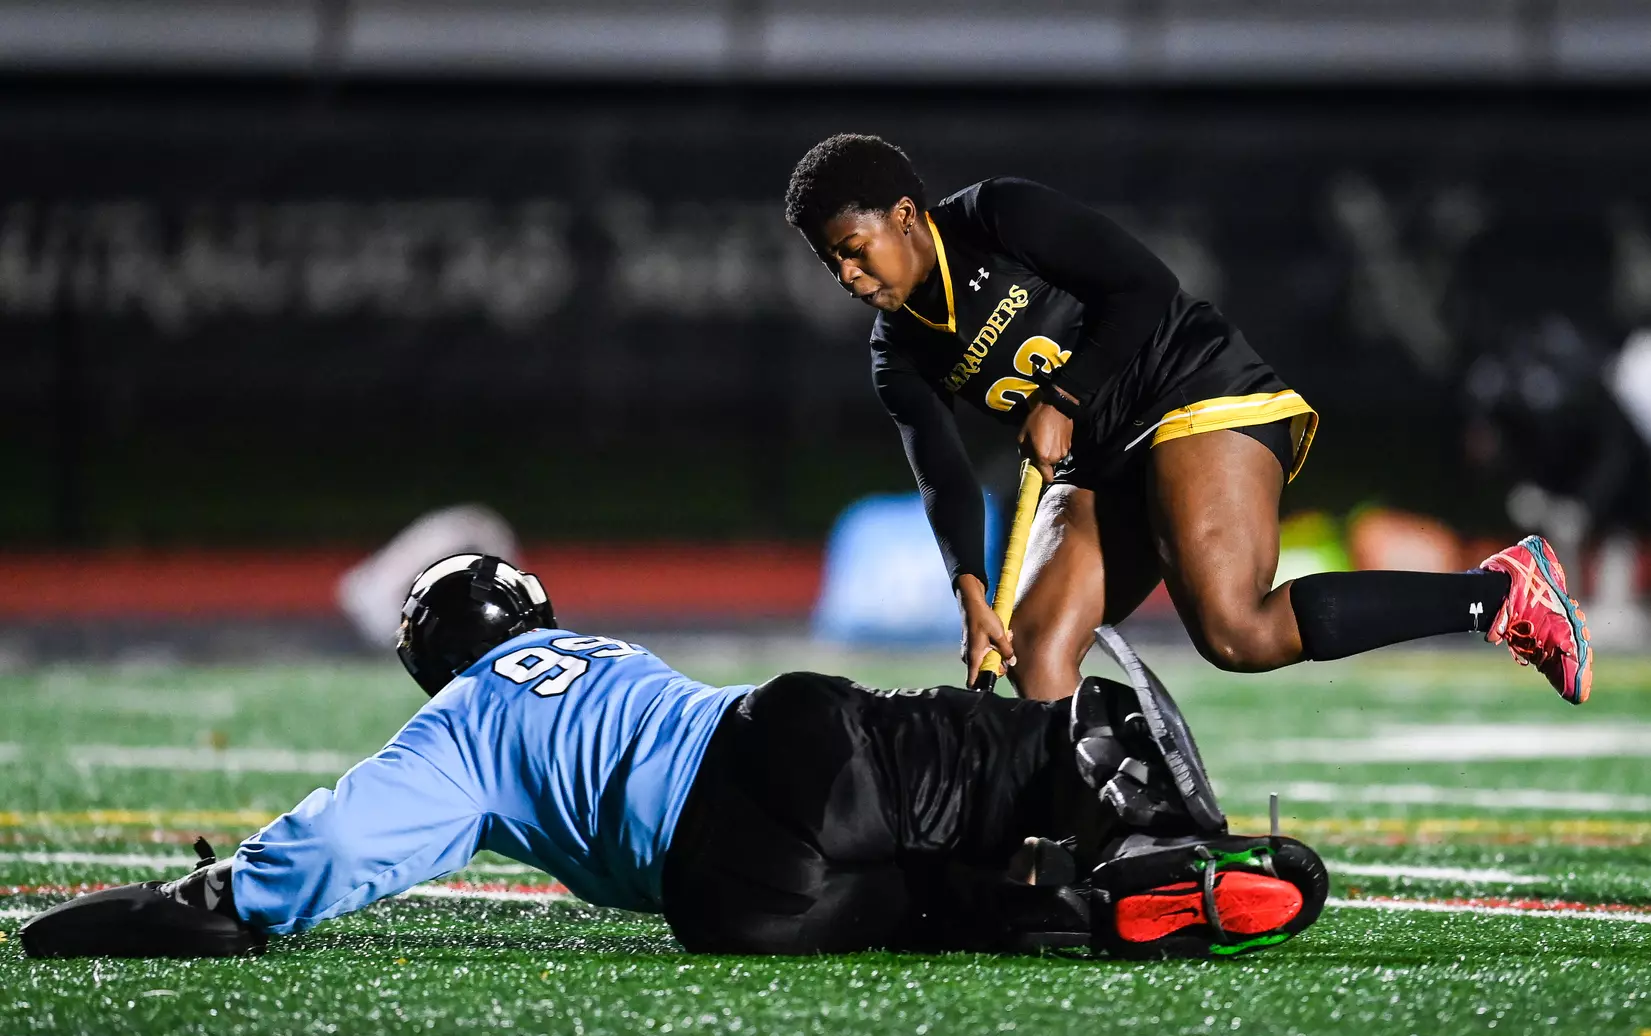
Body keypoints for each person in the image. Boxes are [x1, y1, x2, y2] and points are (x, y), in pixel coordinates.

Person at [21, 554, 1326, 962]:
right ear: (529, 610)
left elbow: (342, 851)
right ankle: (1149, 827)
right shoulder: (584, 650)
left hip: (726, 900)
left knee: (949, 913)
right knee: (1034, 754)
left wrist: (205, 901)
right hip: (774, 748)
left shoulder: (458, 725)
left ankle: (1096, 913)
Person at [782, 134, 1593, 704]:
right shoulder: (897, 350)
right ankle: (1088, 853)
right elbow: (943, 474)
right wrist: (970, 594)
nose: (848, 275)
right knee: (1033, 655)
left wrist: (1062, 396)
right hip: (1102, 463)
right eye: (831, 262)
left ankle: (1498, 594)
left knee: (1234, 630)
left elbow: (1143, 287)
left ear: (904, 214)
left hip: (1193, 390)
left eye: (855, 248)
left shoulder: (997, 217)